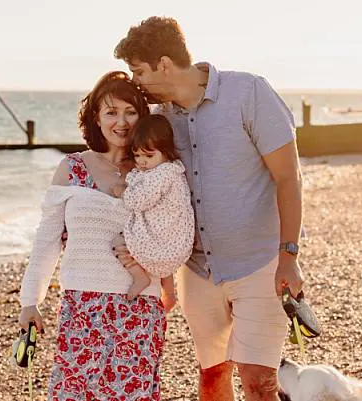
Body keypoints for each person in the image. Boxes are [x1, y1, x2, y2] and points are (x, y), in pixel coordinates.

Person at [114, 16, 306, 401]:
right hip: (198, 271)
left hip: (260, 265)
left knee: (258, 381)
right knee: (212, 378)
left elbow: (289, 177)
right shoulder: (160, 119)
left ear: (165, 65)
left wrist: (289, 256)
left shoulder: (248, 92)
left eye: (139, 72)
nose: (138, 83)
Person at [18, 71, 184, 401]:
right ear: (96, 117)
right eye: (111, 112)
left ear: (143, 115)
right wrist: (29, 302)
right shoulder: (72, 168)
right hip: (82, 306)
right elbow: (47, 240)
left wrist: (168, 283)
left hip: (139, 307)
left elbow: (173, 228)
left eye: (130, 111)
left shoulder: (154, 172)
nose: (121, 122)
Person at [111, 114, 193, 306]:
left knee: (119, 241)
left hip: (163, 239)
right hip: (175, 241)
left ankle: (140, 276)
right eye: (137, 155)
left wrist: (123, 192)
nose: (142, 161)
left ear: (166, 151)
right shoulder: (172, 170)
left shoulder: (161, 174)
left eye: (149, 156)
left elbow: (139, 200)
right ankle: (167, 290)